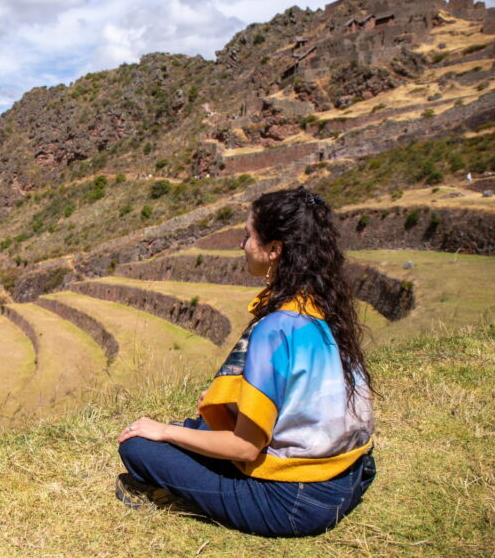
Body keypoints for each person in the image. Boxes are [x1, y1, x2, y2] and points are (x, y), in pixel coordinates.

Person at [116, 186, 376, 537]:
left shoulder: (276, 328)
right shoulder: (323, 305)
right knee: (197, 429)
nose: (242, 245)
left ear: (274, 250)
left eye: (248, 236)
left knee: (140, 446)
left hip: (294, 503)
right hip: (350, 474)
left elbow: (245, 446)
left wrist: (162, 431)